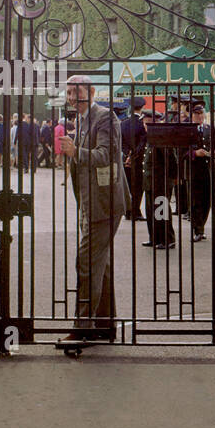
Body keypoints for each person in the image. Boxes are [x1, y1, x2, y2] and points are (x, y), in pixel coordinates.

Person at [59, 76, 128, 342]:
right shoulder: (84, 119)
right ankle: (104, 323)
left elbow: (106, 155)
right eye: (68, 92)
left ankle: (83, 327)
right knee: (102, 264)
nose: (72, 97)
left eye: (76, 92)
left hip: (105, 203)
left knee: (86, 262)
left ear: (91, 92)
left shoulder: (105, 117)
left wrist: (76, 151)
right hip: (91, 202)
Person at [142, 110, 176, 250]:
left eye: (146, 123)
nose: (144, 125)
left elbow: (170, 160)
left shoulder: (160, 139)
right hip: (151, 182)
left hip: (160, 181)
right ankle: (155, 238)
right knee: (151, 212)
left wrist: (172, 178)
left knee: (161, 212)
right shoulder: (151, 138)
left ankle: (167, 239)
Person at [188, 103, 215, 241]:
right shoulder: (188, 129)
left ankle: (202, 226)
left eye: (201, 114)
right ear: (192, 115)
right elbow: (181, 151)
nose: (199, 116)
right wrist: (194, 153)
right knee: (195, 200)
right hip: (194, 169)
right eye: (196, 114)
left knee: (207, 200)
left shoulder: (209, 129)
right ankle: (197, 229)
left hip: (207, 168)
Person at [120, 98, 147, 220]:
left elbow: (121, 142)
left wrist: (127, 154)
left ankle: (128, 211)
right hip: (139, 160)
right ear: (141, 108)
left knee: (128, 186)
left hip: (126, 159)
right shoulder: (142, 124)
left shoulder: (123, 123)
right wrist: (134, 154)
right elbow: (143, 143)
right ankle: (135, 211)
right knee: (138, 186)